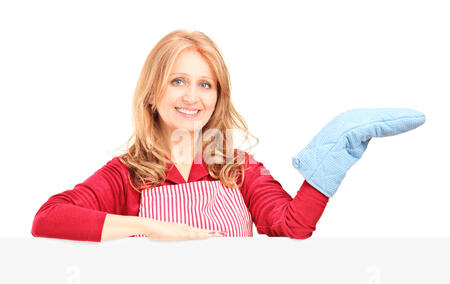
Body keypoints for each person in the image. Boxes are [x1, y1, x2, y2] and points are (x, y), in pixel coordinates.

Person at [31, 29, 329, 242]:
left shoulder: (240, 168)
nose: (191, 97)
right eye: (178, 81)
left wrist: (327, 168)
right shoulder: (127, 175)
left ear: (217, 97)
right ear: (151, 93)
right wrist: (148, 227)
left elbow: (293, 227)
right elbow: (48, 218)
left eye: (205, 85)